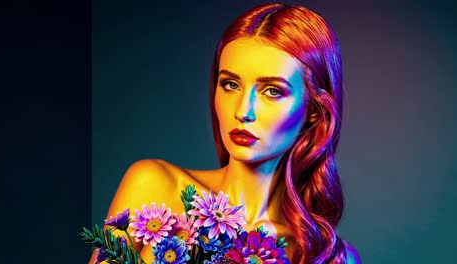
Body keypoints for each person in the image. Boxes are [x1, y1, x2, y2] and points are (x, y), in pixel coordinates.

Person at [90, 3, 361, 263]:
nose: (244, 111)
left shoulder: (328, 257)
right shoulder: (155, 186)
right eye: (231, 84)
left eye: (272, 91)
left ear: (314, 109)